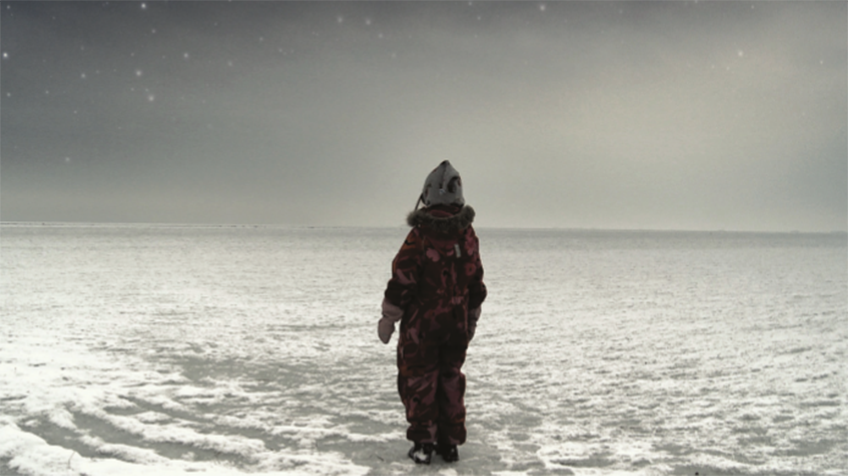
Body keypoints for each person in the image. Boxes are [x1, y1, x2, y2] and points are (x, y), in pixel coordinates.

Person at [378, 160, 487, 465]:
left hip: (421, 329)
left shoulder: (420, 236)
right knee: (451, 378)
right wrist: (471, 315)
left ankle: (424, 443)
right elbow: (475, 279)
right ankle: (449, 443)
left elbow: (403, 278)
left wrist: (389, 317)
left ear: (427, 195)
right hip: (455, 325)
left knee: (420, 380)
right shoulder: (467, 236)